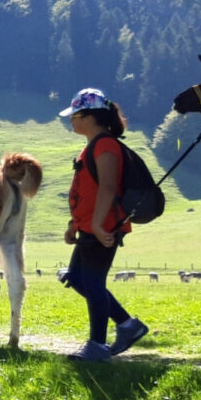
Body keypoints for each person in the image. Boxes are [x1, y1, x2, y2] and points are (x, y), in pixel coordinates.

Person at [60, 87, 150, 362]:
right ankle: (127, 325)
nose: (71, 120)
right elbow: (85, 188)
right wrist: (75, 223)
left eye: (75, 115)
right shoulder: (91, 146)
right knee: (76, 278)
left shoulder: (106, 145)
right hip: (88, 226)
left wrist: (98, 225)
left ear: (88, 116)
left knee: (93, 282)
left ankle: (97, 346)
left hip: (103, 227)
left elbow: (108, 187)